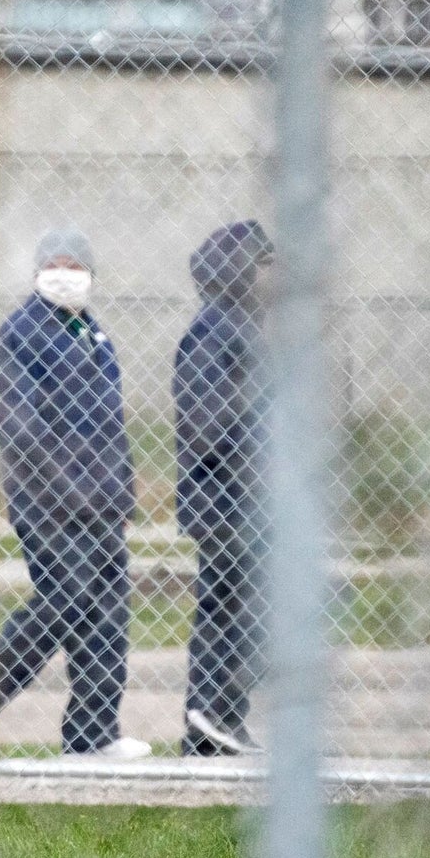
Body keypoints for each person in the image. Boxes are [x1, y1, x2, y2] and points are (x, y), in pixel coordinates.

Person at [0, 229, 150, 760]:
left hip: (101, 506)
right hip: (49, 503)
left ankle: (93, 732)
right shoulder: (22, 332)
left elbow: (112, 425)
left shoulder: (94, 334)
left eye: (76, 264)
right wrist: (68, 488)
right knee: (64, 600)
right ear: (39, 271)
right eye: (55, 263)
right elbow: (18, 425)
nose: (66, 273)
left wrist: (122, 492)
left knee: (107, 610)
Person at [173, 220, 272, 757]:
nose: (266, 277)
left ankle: (213, 724)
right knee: (246, 610)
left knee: (231, 610)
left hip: (242, 498)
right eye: (259, 265)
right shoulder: (217, 328)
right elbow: (204, 421)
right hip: (227, 498)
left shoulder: (244, 326)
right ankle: (214, 711)